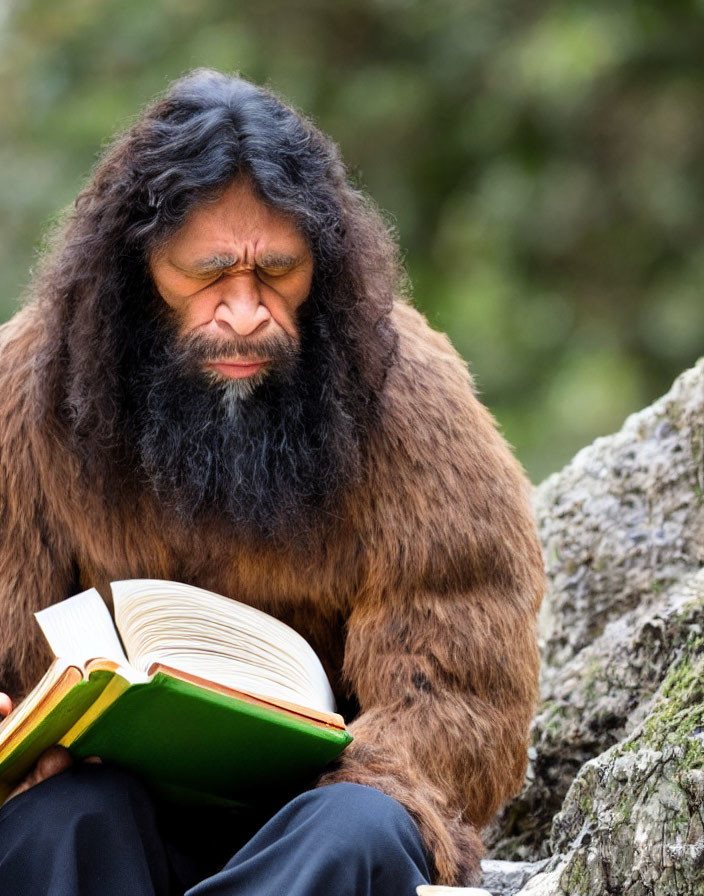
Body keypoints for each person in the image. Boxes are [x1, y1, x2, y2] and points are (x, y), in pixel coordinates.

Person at [0, 69, 545, 895]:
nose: (247, 310)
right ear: (135, 271)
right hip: (115, 808)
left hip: (322, 814)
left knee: (358, 830)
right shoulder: (31, 384)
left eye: (278, 272)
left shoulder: (407, 393)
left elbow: (465, 694)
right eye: (208, 274)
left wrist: (360, 773)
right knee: (63, 818)